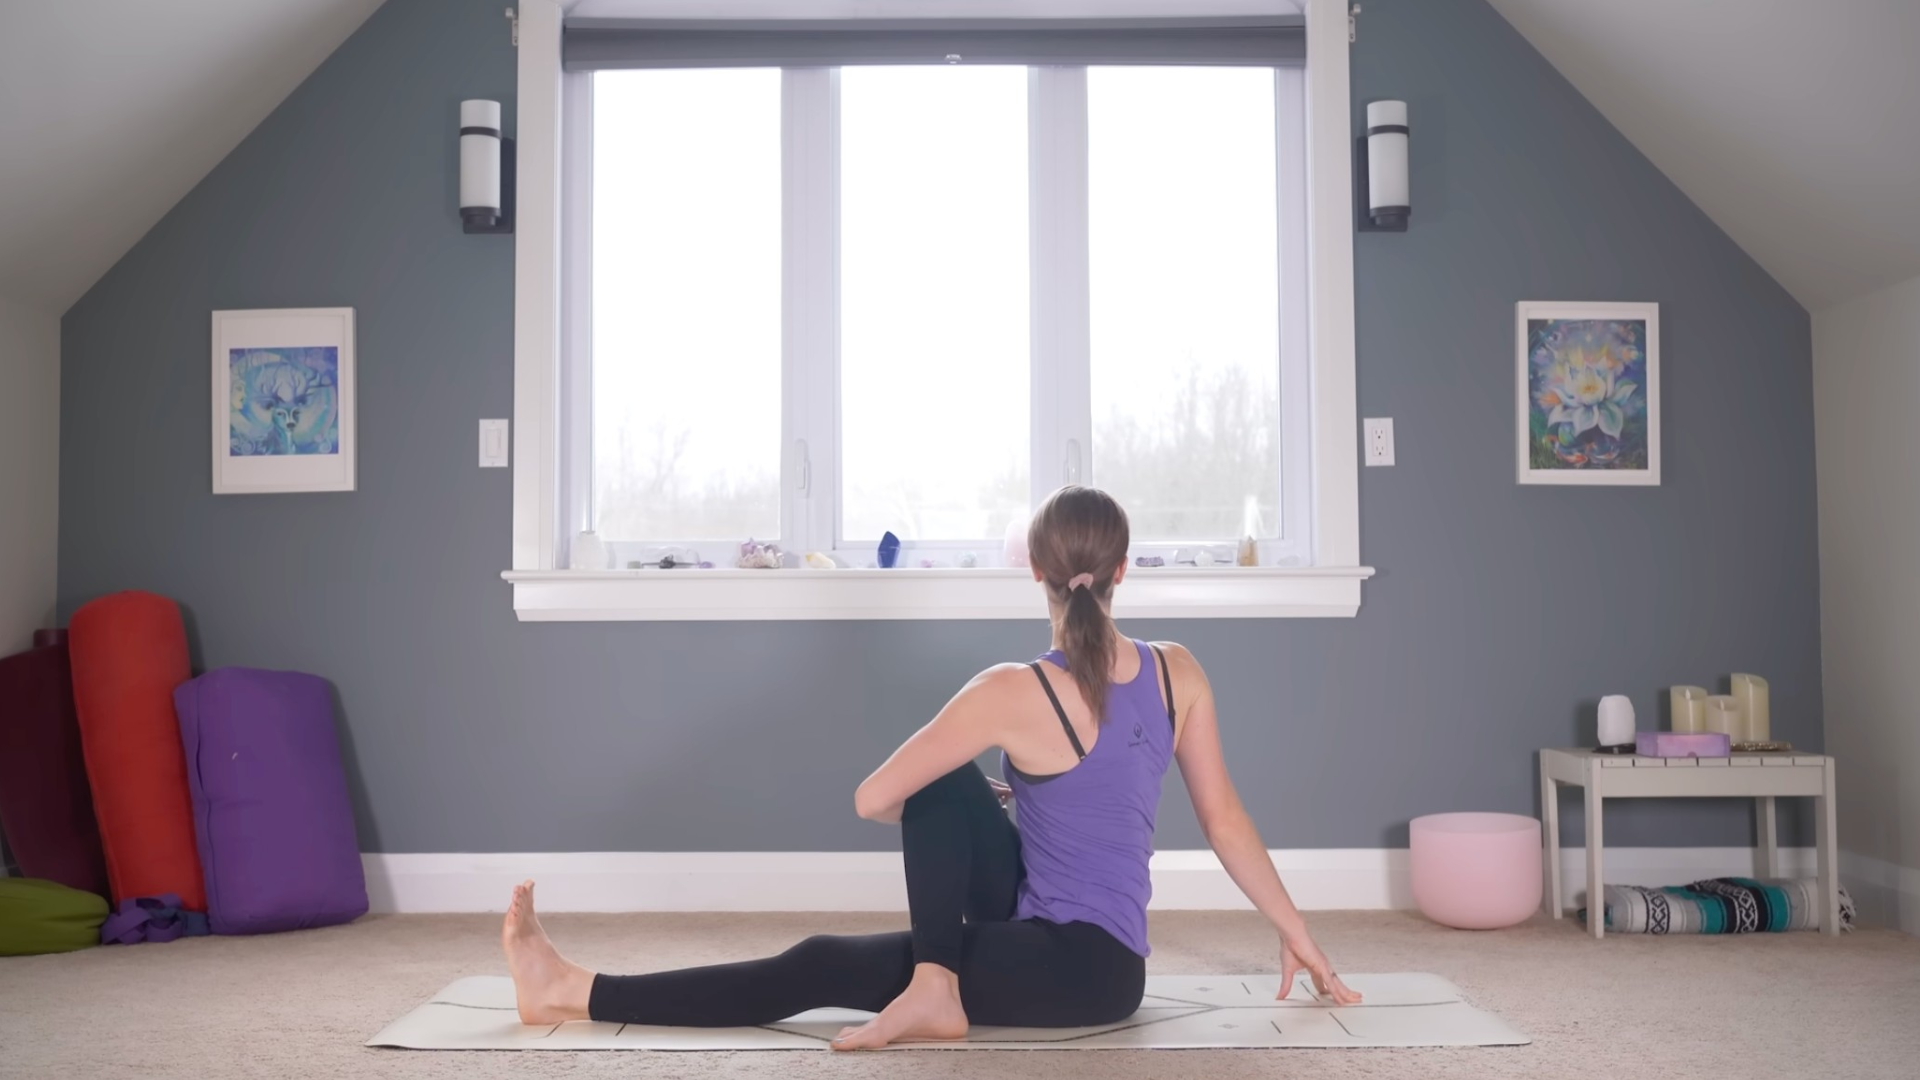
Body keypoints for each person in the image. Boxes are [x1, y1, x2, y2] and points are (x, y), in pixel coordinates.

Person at [500, 485, 1359, 1050]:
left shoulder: (1009, 691)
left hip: (1072, 974)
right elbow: (1226, 823)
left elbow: (876, 798)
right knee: (944, 791)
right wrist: (1298, 932)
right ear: (1124, 570)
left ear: (1036, 572)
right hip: (1111, 967)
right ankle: (936, 978)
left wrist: (977, 793)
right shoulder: (1180, 671)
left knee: (824, 960)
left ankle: (571, 991)